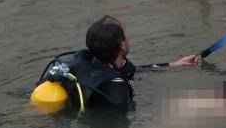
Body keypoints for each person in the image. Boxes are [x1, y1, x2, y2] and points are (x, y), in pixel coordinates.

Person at [37, 16, 199, 111]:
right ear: (122, 45)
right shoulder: (116, 88)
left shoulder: (82, 60)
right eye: (125, 35)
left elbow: (131, 70)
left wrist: (174, 64)